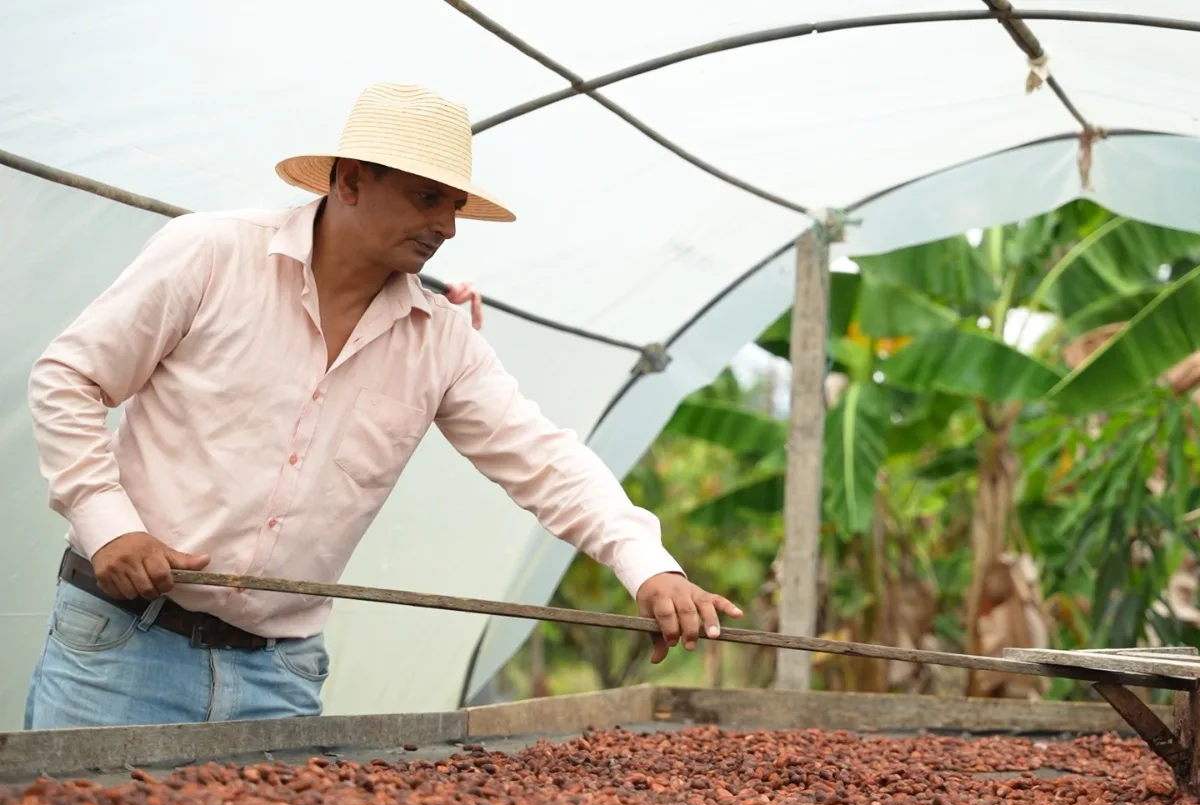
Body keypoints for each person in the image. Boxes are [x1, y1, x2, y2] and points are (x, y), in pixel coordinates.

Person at [23, 82, 740, 730]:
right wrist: (110, 526)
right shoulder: (210, 254)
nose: (448, 227)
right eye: (429, 198)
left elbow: (546, 460)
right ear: (351, 182)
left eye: (454, 206)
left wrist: (649, 567)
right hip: (120, 649)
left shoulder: (441, 339)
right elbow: (68, 378)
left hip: (278, 673)